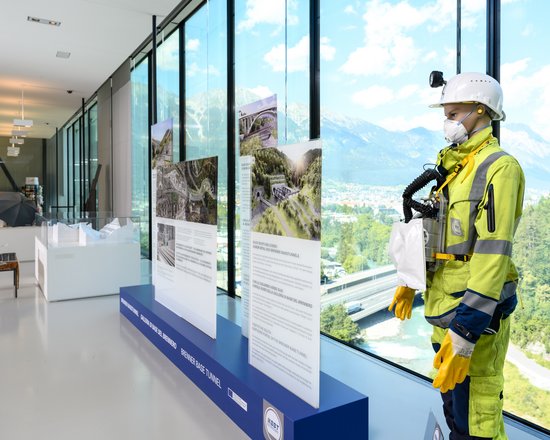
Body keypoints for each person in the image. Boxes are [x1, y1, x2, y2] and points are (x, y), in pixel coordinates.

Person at [388, 72, 525, 440]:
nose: (447, 121)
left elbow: (492, 256)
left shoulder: (500, 168)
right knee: (453, 414)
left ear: (480, 110)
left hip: (475, 319)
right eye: (446, 113)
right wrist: (409, 280)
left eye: (453, 113)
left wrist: (465, 333)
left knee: (476, 423)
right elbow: (434, 230)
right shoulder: (451, 165)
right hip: (441, 310)